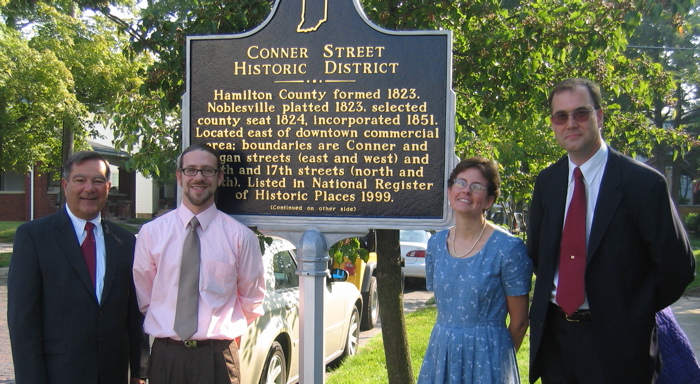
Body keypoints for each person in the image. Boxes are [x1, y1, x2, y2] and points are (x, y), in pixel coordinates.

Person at [527, 78, 696, 383]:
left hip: (619, 344)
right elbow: (539, 254)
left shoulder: (644, 184)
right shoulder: (547, 182)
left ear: (600, 116)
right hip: (555, 339)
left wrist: (629, 312)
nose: (571, 124)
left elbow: (677, 268)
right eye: (560, 116)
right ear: (552, 123)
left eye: (581, 113)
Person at [8, 151, 149, 384]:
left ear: (108, 186)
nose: (89, 188)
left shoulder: (126, 241)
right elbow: (23, 321)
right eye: (80, 180)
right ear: (65, 185)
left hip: (112, 374)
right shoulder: (34, 237)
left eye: (98, 180)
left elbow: (135, 314)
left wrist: (139, 372)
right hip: (58, 374)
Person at [133, 143, 266, 383]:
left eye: (207, 171)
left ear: (219, 178)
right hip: (166, 356)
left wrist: (218, 331)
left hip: (217, 358)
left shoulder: (240, 237)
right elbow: (146, 297)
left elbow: (251, 300)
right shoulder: (151, 234)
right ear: (179, 176)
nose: (199, 177)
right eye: (191, 170)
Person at [417, 157, 532, 383]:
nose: (466, 191)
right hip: (442, 354)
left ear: (489, 200)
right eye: (461, 183)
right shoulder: (436, 245)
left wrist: (496, 362)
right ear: (450, 191)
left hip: (488, 357)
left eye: (476, 187)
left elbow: (519, 322)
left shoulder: (508, 249)